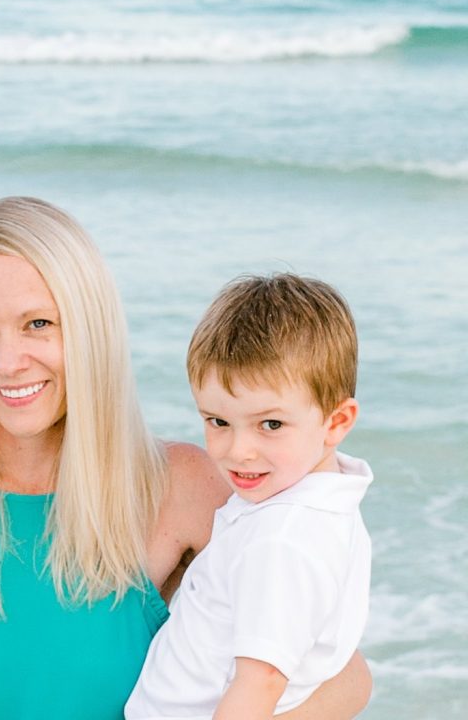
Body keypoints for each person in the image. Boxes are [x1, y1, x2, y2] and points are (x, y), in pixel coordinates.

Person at [0, 197, 371, 719]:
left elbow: (343, 676)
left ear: (90, 326)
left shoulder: (187, 484)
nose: (8, 361)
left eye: (39, 324)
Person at [124, 273, 372, 719]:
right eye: (218, 421)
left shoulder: (282, 539)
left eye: (270, 425)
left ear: (336, 422)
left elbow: (261, 684)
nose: (238, 451)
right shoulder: (324, 505)